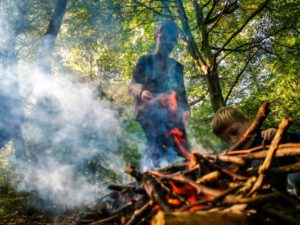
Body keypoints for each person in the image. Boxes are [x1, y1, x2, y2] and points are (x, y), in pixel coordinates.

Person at [129, 20, 190, 169]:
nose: (168, 43)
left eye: (173, 40)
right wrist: (142, 92)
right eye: (164, 38)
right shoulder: (145, 60)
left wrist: (187, 109)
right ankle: (152, 176)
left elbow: (181, 93)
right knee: (154, 151)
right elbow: (132, 85)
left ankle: (187, 178)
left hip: (174, 118)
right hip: (151, 114)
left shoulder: (177, 67)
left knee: (184, 153)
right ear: (156, 37)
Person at [211, 106, 300, 197]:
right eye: (226, 139)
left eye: (234, 132)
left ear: (248, 121)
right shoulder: (235, 157)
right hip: (263, 198)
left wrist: (284, 136)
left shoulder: (266, 137)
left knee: (294, 177)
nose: (233, 141)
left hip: (290, 190)